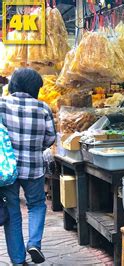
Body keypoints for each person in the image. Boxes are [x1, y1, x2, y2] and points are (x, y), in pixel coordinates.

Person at [0, 68, 56, 264]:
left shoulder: (2, 105)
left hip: (7, 171)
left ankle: (17, 260)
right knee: (37, 205)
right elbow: (50, 138)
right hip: (33, 168)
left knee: (13, 213)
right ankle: (34, 243)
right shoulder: (43, 108)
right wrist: (34, 148)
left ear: (13, 85)